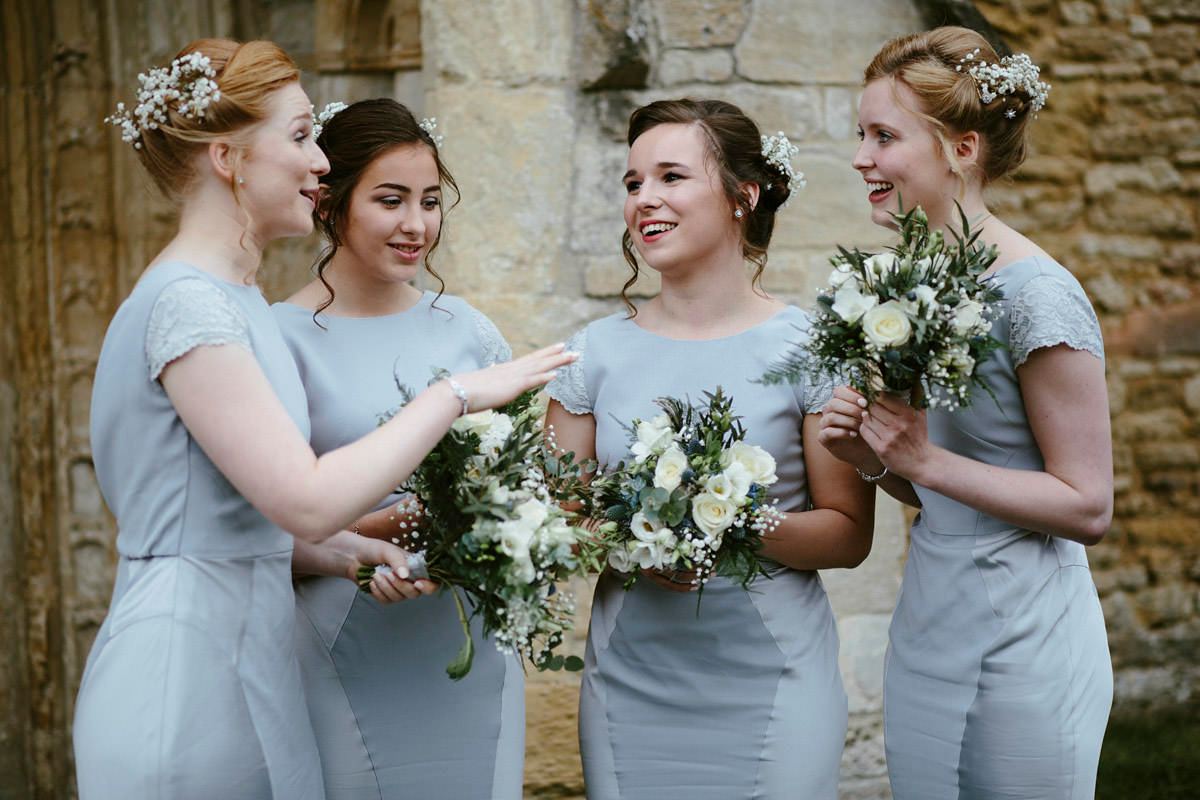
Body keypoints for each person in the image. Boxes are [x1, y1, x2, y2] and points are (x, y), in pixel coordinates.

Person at [75, 40, 573, 799]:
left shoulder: (229, 299)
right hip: (188, 668)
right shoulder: (188, 303)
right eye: (302, 137)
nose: (319, 164)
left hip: (255, 656)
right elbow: (301, 498)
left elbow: (251, 522)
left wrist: (356, 555)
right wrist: (454, 396)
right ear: (228, 158)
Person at [545, 98, 876, 800]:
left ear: (741, 196)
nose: (645, 200)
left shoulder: (811, 349)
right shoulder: (591, 354)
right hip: (632, 682)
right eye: (634, 183)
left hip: (774, 680)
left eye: (671, 177)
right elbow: (555, 526)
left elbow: (848, 534)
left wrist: (726, 525)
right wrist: (633, 538)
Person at [817, 26, 1113, 799]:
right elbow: (933, 483)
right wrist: (872, 459)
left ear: (963, 148)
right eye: (862, 135)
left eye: (884, 136)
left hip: (1027, 632)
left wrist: (921, 458)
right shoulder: (913, 287)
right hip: (929, 621)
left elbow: (1086, 504)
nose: (861, 158)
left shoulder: (1038, 295)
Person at [271, 98, 524, 799]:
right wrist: (389, 528)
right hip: (345, 637)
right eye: (391, 200)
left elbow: (525, 487)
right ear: (331, 203)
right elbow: (257, 529)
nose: (417, 225)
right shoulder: (279, 340)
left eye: (431, 201)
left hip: (467, 641)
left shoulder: (468, 333)